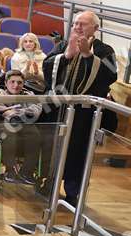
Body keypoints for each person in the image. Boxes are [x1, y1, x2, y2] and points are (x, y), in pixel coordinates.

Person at [43, 11, 117, 206]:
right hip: (58, 110)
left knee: (78, 153)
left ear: (95, 28)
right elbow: (47, 67)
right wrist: (66, 55)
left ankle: (72, 193)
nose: (77, 27)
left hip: (84, 116)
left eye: (82, 24)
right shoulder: (63, 45)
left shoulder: (105, 50)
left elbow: (110, 76)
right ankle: (48, 185)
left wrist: (87, 55)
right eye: (75, 23)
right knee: (53, 148)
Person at [0, 69, 43, 184]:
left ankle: (26, 172)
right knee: (9, 133)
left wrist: (13, 111)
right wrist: (10, 111)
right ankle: (10, 170)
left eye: (19, 82)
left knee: (35, 135)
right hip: (1, 122)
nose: (16, 85)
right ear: (6, 83)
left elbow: (36, 110)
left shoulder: (28, 94)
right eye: (12, 82)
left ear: (23, 84)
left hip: (23, 122)